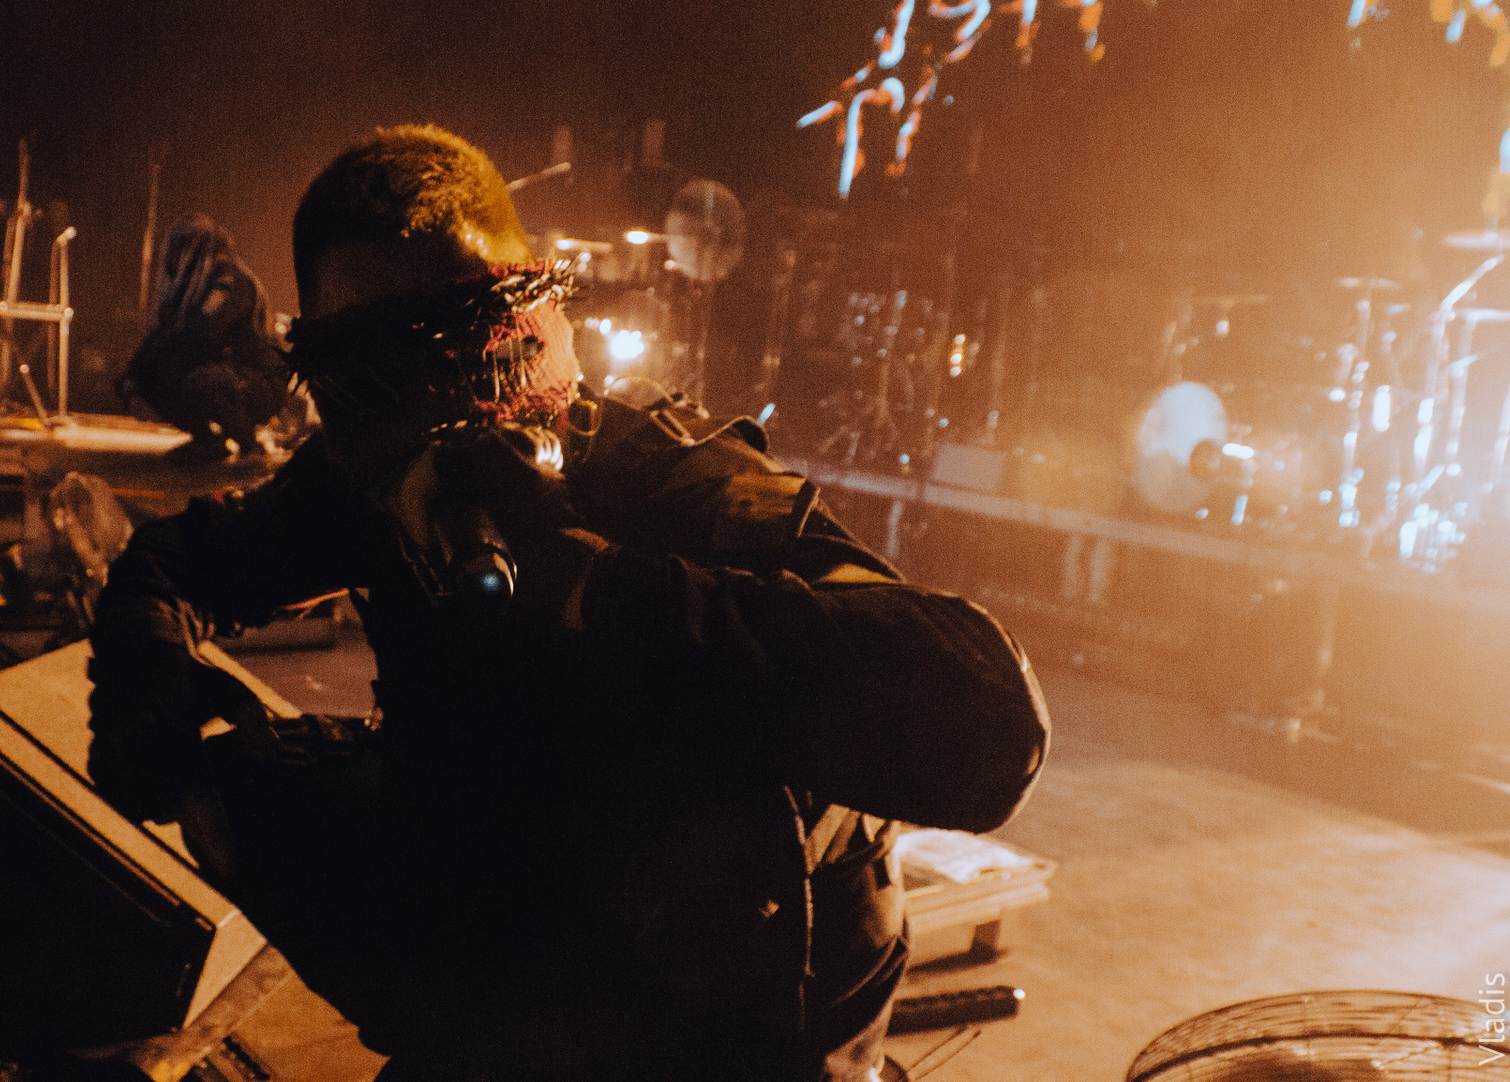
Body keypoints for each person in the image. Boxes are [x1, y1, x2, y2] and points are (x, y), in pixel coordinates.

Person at [87, 126, 1048, 1081]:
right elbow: (177, 558)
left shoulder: (675, 485)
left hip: (741, 1010)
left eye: (471, 358)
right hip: (536, 942)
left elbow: (992, 721)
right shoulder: (368, 477)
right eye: (381, 381)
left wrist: (591, 581)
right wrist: (146, 681)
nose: (439, 428)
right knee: (240, 789)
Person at [119, 212, 291, 464]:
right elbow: (169, 333)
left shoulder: (231, 282)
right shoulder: (196, 285)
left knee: (200, 379)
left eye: (181, 246)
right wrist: (134, 373)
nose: (174, 256)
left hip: (260, 380)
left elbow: (202, 334)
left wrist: (165, 360)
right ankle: (207, 441)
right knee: (150, 378)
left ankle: (249, 443)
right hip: (230, 373)